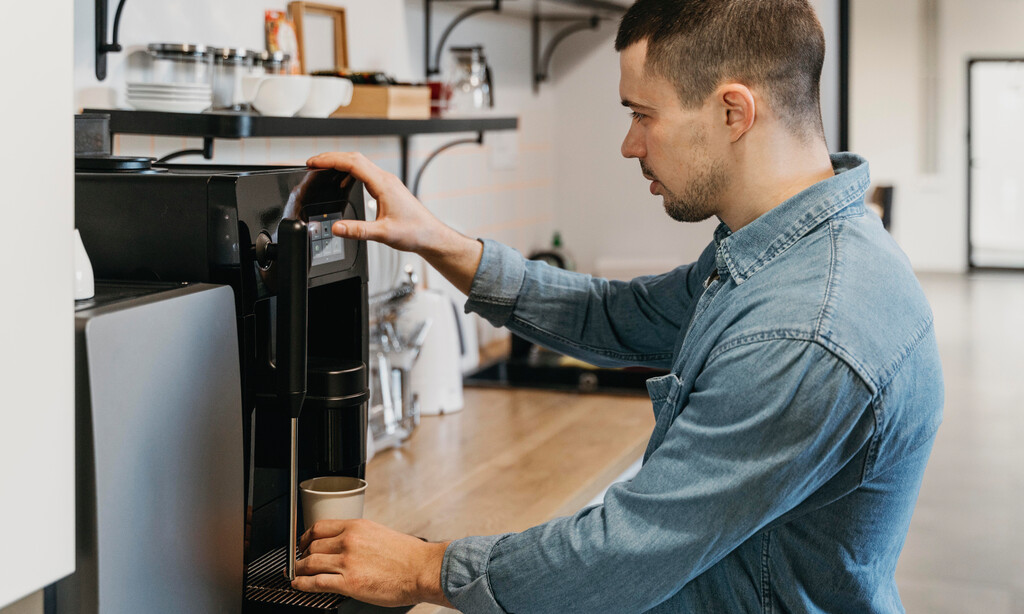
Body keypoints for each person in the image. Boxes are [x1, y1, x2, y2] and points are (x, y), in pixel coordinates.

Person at [289, 0, 944, 611]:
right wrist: (436, 241)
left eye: (643, 114)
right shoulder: (787, 252)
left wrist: (423, 568)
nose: (630, 145)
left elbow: (620, 558)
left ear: (732, 112)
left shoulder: (805, 329)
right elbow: (613, 316)